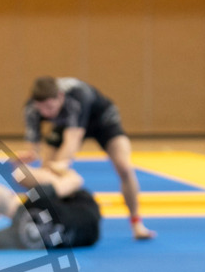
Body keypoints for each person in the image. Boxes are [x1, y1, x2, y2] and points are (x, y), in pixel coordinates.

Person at [19, 76, 155, 240]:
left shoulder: (76, 97)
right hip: (66, 124)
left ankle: (136, 222)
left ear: (60, 97)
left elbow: (72, 140)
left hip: (102, 121)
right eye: (42, 110)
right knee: (46, 172)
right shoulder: (32, 108)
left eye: (50, 107)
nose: (46, 113)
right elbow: (32, 147)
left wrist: (60, 166)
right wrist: (30, 159)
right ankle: (49, 221)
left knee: (124, 167)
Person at [0, 166, 103, 250]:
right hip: (88, 212)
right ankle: (40, 167)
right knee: (30, 176)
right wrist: (59, 169)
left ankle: (30, 170)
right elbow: (76, 180)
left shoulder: (13, 234)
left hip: (87, 238)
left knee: (30, 178)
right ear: (11, 193)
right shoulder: (35, 196)